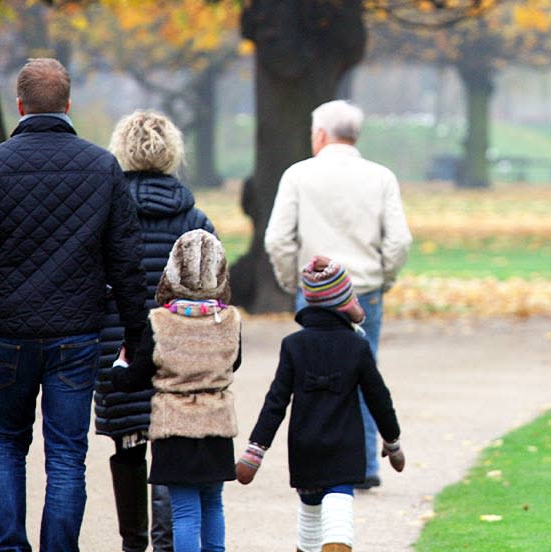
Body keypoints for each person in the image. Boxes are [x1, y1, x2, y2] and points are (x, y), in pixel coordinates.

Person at [0, 57, 149, 552]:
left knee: (5, 444)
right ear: (68, 104)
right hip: (76, 330)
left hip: (11, 331)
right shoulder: (101, 167)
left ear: (20, 105)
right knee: (67, 456)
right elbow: (126, 261)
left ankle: (8, 547)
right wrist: (137, 334)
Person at [264, 99, 412, 490]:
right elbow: (398, 240)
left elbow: (278, 239)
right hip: (364, 289)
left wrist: (292, 280)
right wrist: (384, 279)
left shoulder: (298, 175)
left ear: (320, 134)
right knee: (366, 373)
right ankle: (364, 466)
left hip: (313, 290)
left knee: (310, 380)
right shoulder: (381, 177)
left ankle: (319, 467)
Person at [96, 110, 216, 552]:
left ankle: (133, 543)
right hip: (179, 353)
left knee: (128, 445)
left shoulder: (104, 213)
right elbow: (216, 292)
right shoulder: (194, 219)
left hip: (118, 346)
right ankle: (168, 545)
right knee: (171, 450)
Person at [235, 257, 405, 552]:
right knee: (338, 519)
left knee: (311, 522)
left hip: (305, 446)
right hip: (344, 447)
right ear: (343, 302)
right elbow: (379, 398)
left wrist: (255, 451)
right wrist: (392, 443)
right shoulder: (357, 346)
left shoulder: (294, 345)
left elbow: (276, 401)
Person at [104, 230, 240, 552]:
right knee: (213, 503)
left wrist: (118, 370)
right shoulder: (230, 320)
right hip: (216, 424)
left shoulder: (160, 322)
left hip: (174, 425)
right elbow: (234, 364)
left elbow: (138, 376)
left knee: (184, 510)